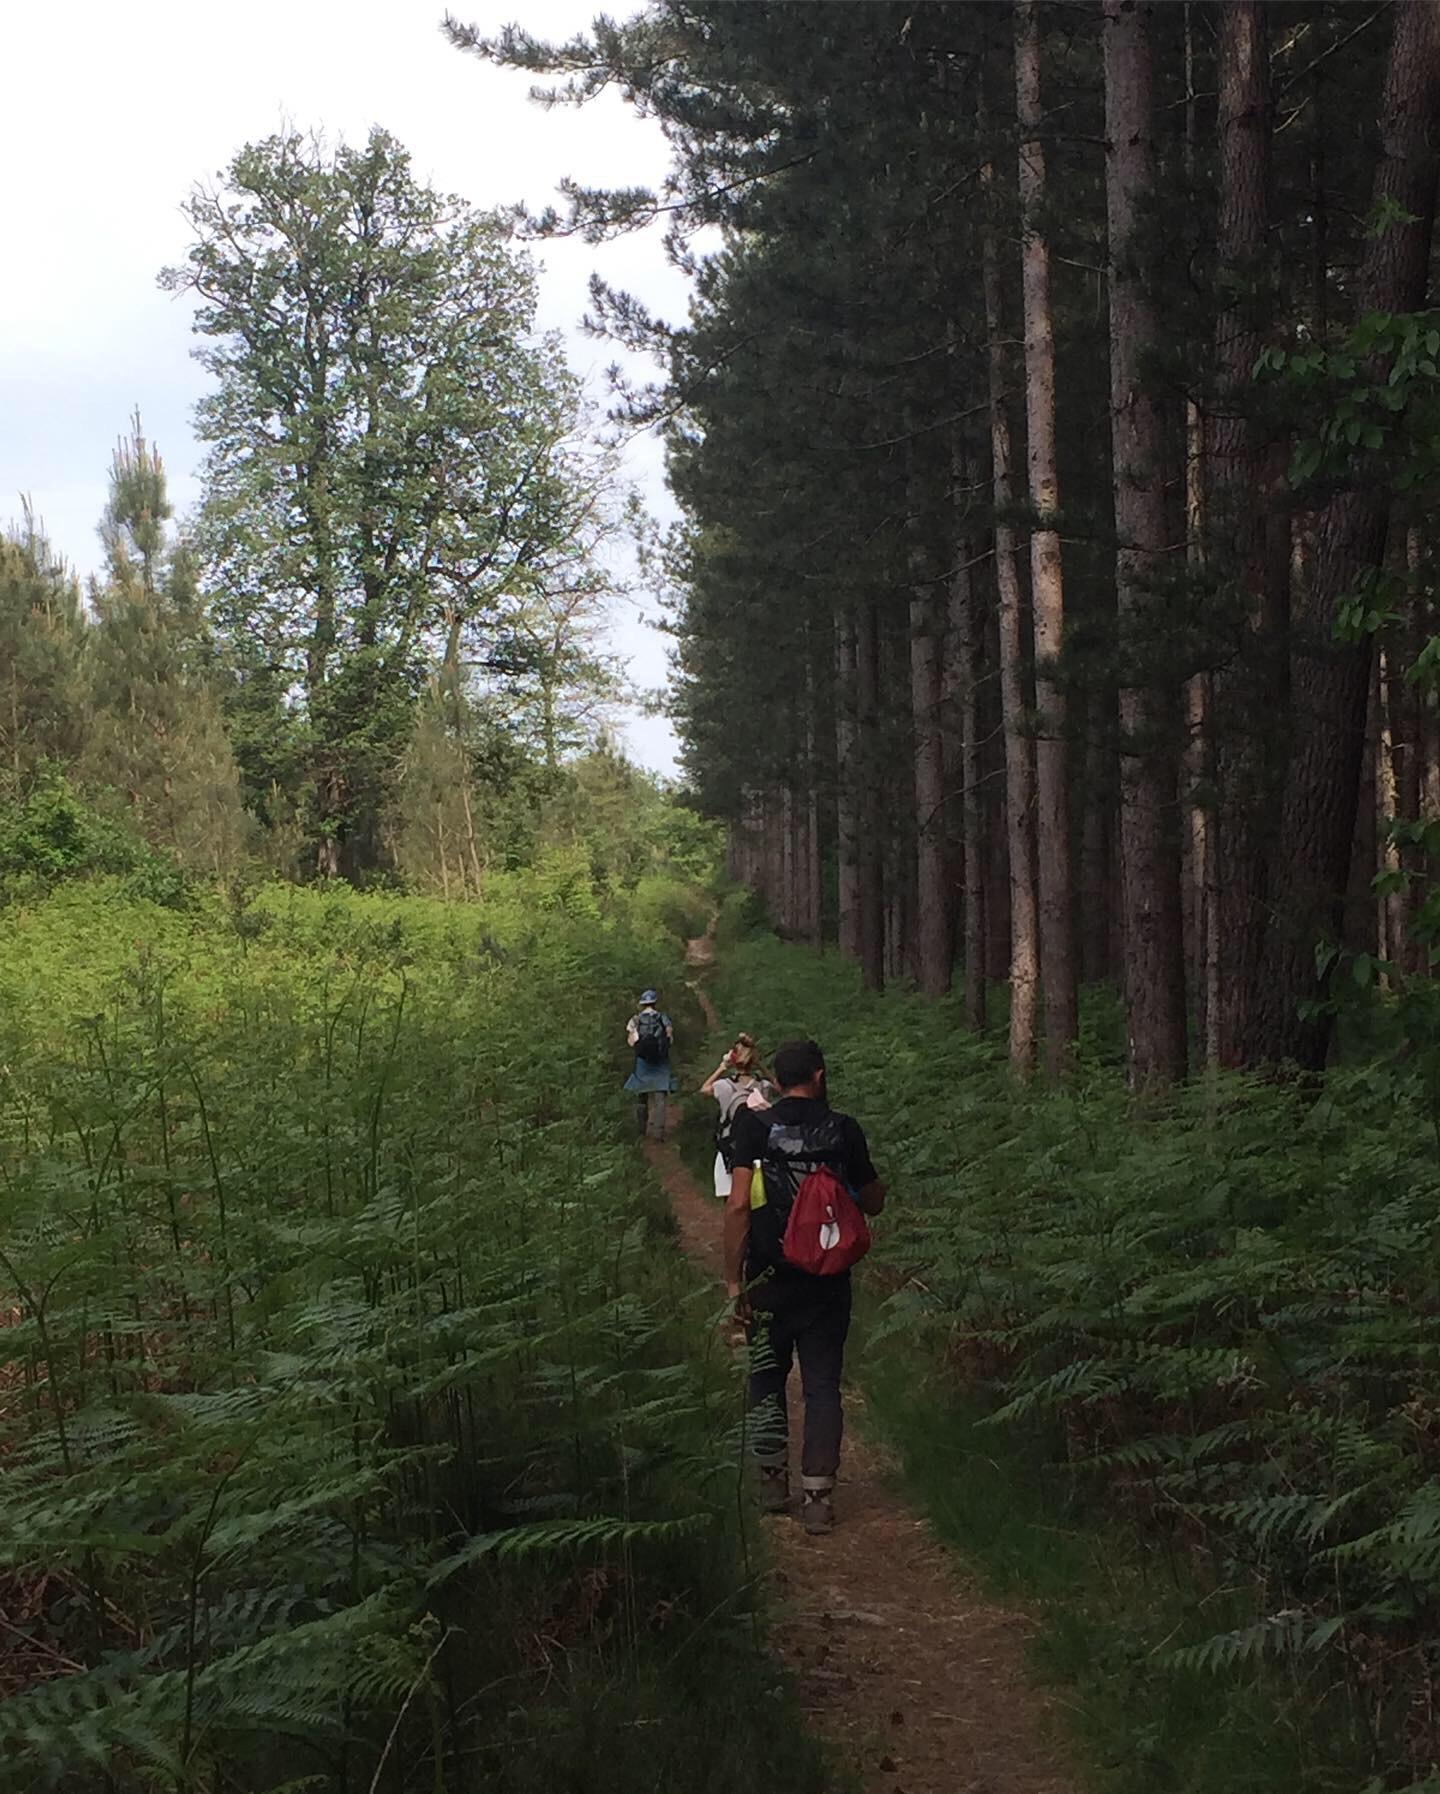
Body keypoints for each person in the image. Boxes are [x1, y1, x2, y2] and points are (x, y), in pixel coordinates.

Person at [725, 1039, 886, 1535]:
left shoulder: (754, 1127)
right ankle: (817, 1495)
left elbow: (735, 1206)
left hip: (768, 1277)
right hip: (828, 1281)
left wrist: (733, 1281)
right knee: (821, 1384)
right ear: (819, 1075)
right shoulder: (844, 1129)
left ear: (776, 1078)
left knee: (766, 1377)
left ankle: (772, 1482)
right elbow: (874, 1201)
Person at [700, 1033, 771, 1199]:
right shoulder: (763, 1086)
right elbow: (781, 1088)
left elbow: (704, 1088)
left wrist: (722, 1066)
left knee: (732, 1201)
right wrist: (761, 1066)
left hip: (730, 1149)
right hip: (759, 1150)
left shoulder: (724, 1086)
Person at [624, 988, 676, 1140]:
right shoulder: (663, 1018)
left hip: (642, 1064)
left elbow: (631, 1041)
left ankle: (641, 1131)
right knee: (660, 1099)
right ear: (655, 1003)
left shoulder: (635, 1020)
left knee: (641, 1096)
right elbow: (669, 1038)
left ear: (642, 1004)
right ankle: (658, 1134)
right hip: (661, 1062)